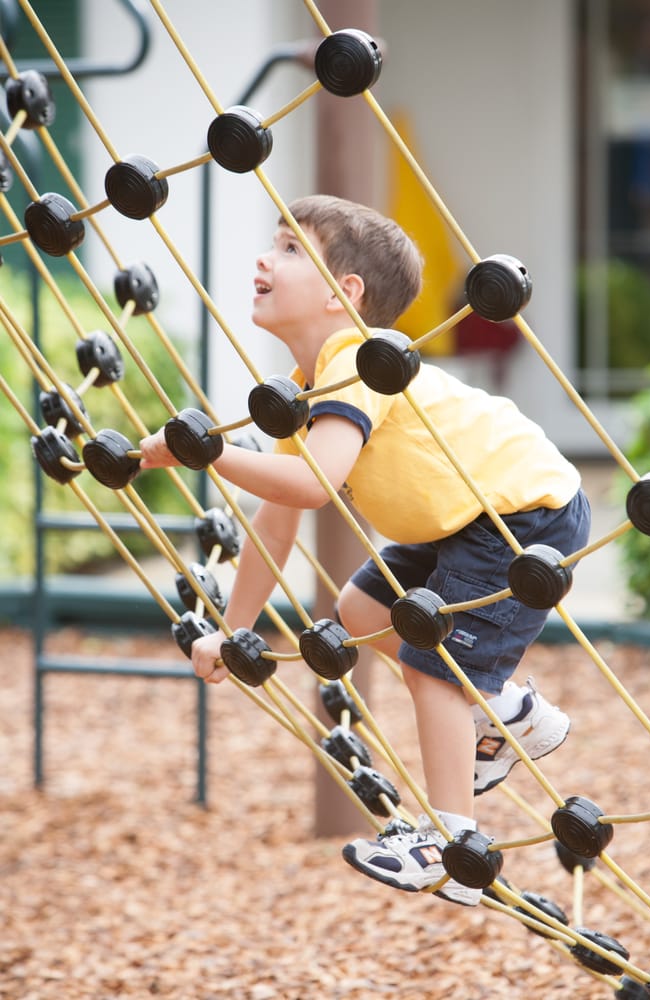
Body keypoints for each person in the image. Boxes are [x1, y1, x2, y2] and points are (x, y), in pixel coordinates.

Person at [140, 194, 591, 906]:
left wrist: (210, 453)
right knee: (358, 609)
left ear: (342, 293)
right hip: (459, 518)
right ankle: (510, 715)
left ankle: (449, 847)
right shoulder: (302, 388)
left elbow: (314, 484)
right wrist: (237, 628)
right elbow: (279, 517)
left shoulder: (357, 359)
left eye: (290, 248)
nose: (264, 257)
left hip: (521, 514)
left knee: (431, 663)